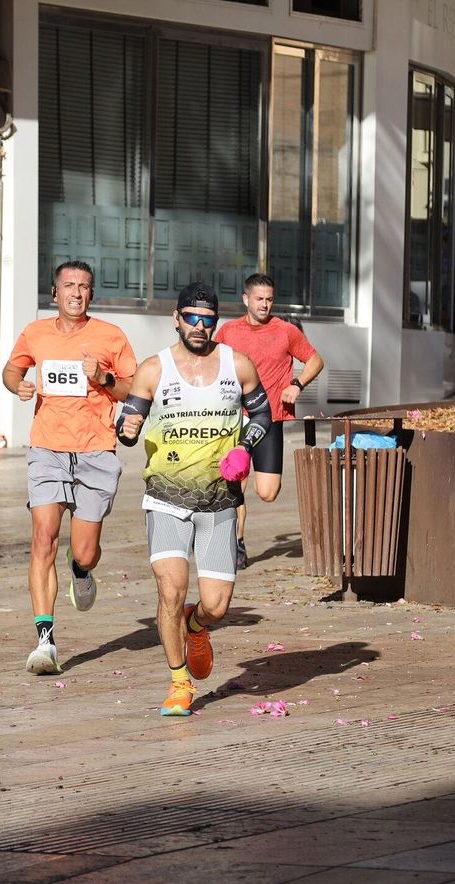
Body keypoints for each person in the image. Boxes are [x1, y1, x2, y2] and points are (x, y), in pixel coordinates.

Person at [115, 283, 274, 717]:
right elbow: (128, 421)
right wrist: (126, 429)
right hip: (165, 498)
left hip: (220, 500)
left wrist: (245, 446)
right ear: (177, 319)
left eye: (208, 320)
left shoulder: (236, 365)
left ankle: (196, 624)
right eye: (192, 318)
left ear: (215, 322)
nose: (200, 327)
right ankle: (179, 682)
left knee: (217, 605)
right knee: (170, 589)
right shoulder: (153, 369)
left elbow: (262, 414)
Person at [2, 260, 137, 675]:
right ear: (55, 293)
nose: (76, 292)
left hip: (96, 452)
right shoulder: (35, 333)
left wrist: (103, 378)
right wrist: (18, 384)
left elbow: (133, 388)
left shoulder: (110, 337)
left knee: (85, 550)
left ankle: (81, 570)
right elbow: (12, 370)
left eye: (84, 286)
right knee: (43, 536)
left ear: (91, 295)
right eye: (69, 286)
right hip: (47, 448)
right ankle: (45, 641)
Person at [215, 273, 324, 571]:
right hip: (236, 417)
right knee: (236, 479)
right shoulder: (228, 332)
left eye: (269, 299)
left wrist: (297, 385)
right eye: (259, 299)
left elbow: (315, 360)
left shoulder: (286, 331)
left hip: (270, 417)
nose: (264, 305)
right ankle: (235, 541)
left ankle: (233, 534)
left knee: (267, 492)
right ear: (246, 299)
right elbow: (213, 363)